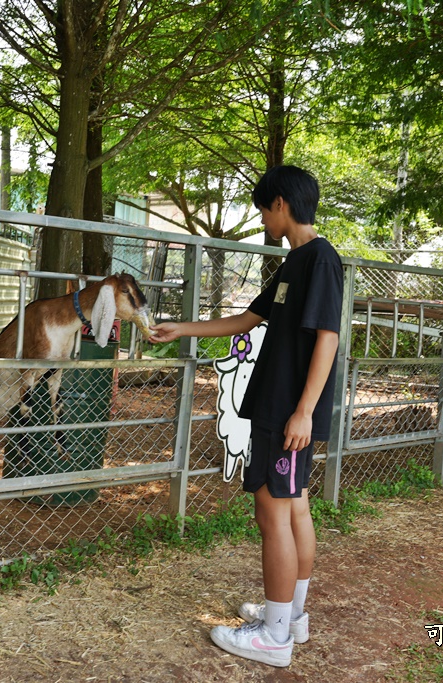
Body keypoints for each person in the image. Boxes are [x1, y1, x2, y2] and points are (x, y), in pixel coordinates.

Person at [148, 165, 343, 668]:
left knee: (272, 512)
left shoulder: (320, 258)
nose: (262, 219)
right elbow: (249, 318)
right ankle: (291, 616)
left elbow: (328, 337)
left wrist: (303, 411)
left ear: (280, 203)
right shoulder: (293, 263)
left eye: (262, 209)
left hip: (287, 414)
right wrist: (181, 329)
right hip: (277, 409)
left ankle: (274, 635)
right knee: (293, 508)